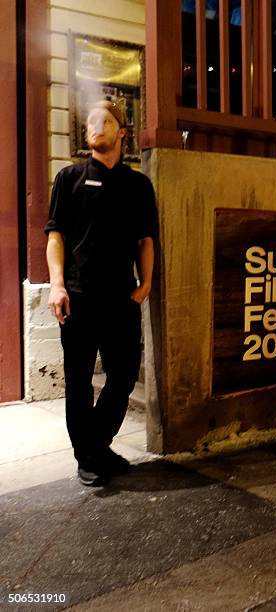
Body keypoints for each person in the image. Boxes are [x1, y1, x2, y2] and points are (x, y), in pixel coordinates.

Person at [45, 100, 159, 486]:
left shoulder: (138, 185)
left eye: (105, 121)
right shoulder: (69, 178)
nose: (96, 126)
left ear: (121, 133)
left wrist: (145, 285)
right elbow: (55, 236)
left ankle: (96, 444)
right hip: (78, 297)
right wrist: (57, 284)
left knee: (124, 376)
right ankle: (88, 458)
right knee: (78, 381)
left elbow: (146, 239)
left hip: (121, 299)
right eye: (91, 122)